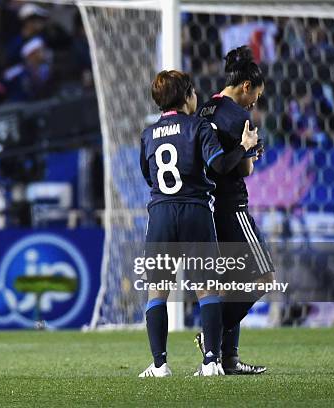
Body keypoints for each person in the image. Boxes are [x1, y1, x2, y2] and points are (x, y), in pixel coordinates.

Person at [139, 70, 258, 377]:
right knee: (209, 289)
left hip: (162, 214)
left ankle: (159, 364)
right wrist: (244, 147)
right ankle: (210, 362)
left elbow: (148, 175)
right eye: (193, 93)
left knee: (157, 292)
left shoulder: (148, 134)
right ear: (187, 96)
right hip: (195, 211)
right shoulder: (198, 126)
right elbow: (220, 164)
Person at [196, 45, 275, 375]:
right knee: (264, 277)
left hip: (209, 207)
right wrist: (252, 154)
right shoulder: (239, 115)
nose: (255, 101)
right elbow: (243, 171)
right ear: (246, 86)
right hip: (233, 206)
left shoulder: (205, 109)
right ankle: (211, 338)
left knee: (230, 283)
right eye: (255, 94)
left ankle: (228, 359)